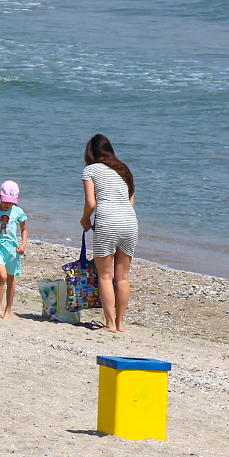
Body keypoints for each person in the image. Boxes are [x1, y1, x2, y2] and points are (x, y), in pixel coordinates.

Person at [81, 134, 138, 333]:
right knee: (122, 277)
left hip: (107, 220)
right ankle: (121, 324)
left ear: (91, 153)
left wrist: (85, 219)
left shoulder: (90, 170)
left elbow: (91, 203)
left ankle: (110, 324)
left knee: (105, 276)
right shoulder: (123, 170)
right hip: (130, 221)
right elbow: (130, 203)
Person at [0, 180, 29, 320]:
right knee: (2, 276)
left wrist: (23, 244)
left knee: (10, 279)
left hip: (12, 249)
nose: (8, 204)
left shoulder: (18, 212)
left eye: (11, 201)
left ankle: (7, 310)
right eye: (5, 200)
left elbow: (24, 229)